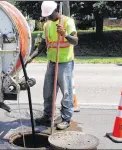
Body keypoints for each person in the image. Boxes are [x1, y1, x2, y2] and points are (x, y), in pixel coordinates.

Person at [26, 1, 78, 130]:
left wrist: (65, 34)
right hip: (51, 62)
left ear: (56, 11)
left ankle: (66, 119)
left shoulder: (67, 22)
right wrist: (31, 57)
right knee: (48, 91)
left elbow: (75, 41)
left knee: (66, 92)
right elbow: (43, 44)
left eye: (48, 15)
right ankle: (48, 116)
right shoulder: (47, 25)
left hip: (65, 63)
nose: (46, 17)